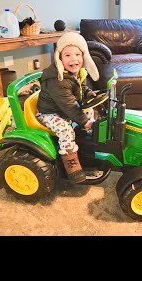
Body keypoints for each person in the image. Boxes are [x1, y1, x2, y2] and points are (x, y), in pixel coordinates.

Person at [36, 32, 99, 184]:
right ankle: (72, 166)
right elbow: (69, 105)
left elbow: (81, 88)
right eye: (68, 55)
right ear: (59, 58)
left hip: (62, 109)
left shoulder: (78, 73)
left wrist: (90, 93)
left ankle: (85, 146)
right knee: (66, 129)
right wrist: (85, 122)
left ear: (84, 56)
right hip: (49, 113)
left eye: (78, 54)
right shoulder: (58, 80)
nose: (74, 59)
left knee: (89, 112)